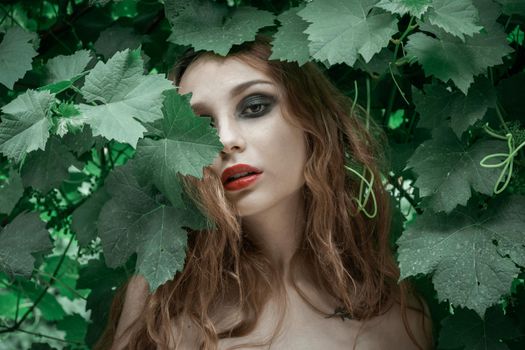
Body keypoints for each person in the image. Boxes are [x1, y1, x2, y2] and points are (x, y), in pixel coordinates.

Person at [99, 36, 433, 350]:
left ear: (313, 121)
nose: (226, 139)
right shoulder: (160, 304)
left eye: (255, 106)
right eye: (200, 125)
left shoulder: (398, 313)